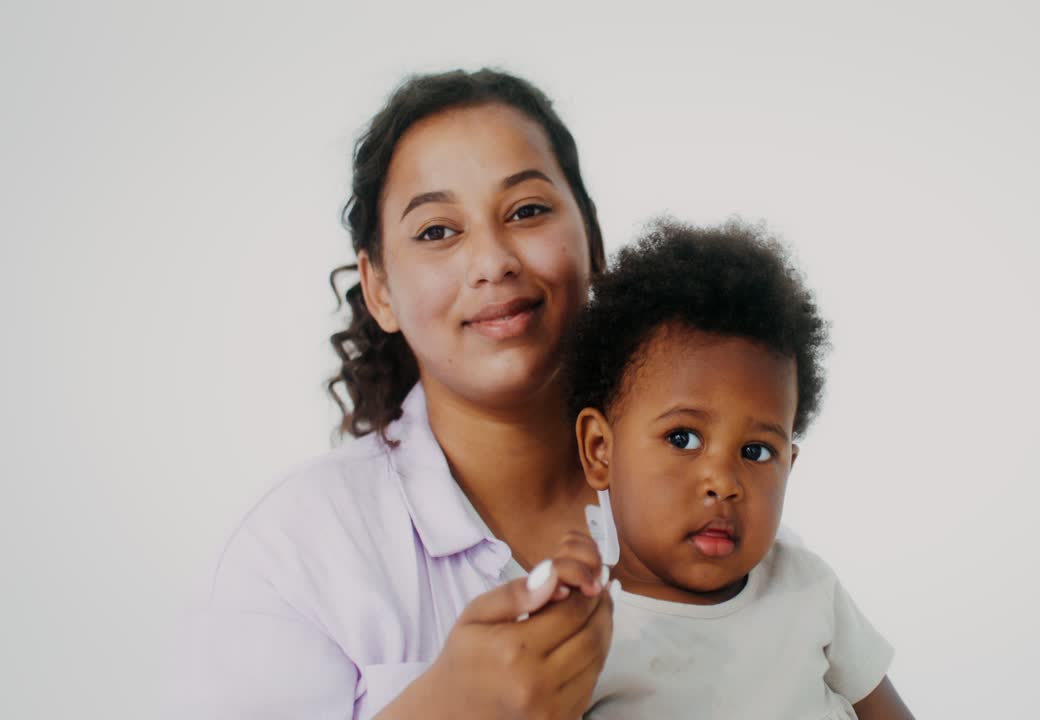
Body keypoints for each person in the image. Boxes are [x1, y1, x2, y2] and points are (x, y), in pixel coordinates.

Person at [196, 69, 614, 719]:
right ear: (380, 288)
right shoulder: (294, 551)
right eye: (437, 231)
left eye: (527, 211)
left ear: (592, 238)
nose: (493, 260)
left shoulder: (704, 485)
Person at [561, 219, 916, 718]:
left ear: (789, 465)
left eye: (756, 452)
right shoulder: (585, 640)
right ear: (600, 449)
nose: (724, 483)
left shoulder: (806, 585)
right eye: (682, 438)